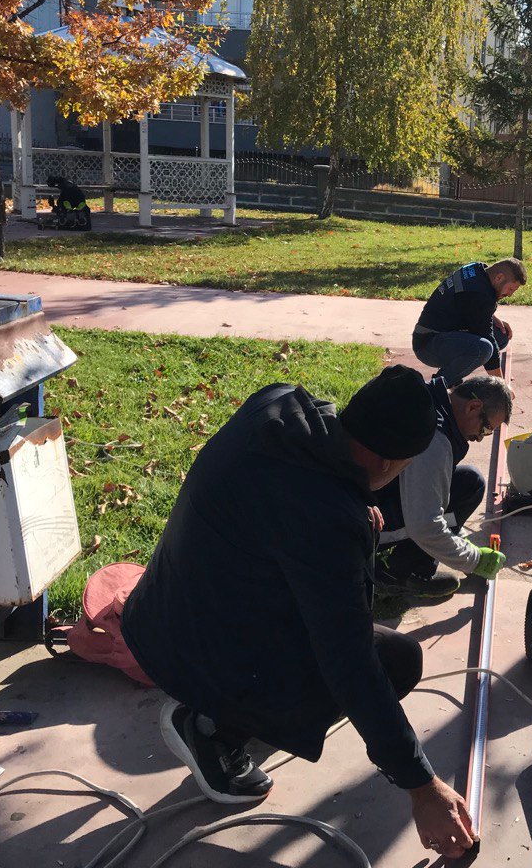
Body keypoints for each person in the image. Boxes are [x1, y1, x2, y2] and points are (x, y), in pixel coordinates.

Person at [121, 366, 477, 859]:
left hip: (160, 608)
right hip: (188, 649)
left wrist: (354, 502)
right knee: (394, 661)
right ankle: (210, 728)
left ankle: (226, 709)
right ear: (387, 459)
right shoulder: (328, 521)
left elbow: (286, 507)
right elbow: (351, 665)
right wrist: (422, 786)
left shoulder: (280, 403)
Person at [375, 375, 511, 598]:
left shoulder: (430, 398)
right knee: (433, 520)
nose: (479, 438)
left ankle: (413, 561)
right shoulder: (434, 439)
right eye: (486, 429)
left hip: (358, 495)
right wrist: (474, 559)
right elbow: (425, 526)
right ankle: (397, 574)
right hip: (358, 523)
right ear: (473, 406)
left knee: (470, 482)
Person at [412, 258, 526, 385]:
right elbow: (487, 338)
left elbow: (466, 302)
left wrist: (491, 317)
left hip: (438, 334)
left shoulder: (477, 269)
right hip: (428, 345)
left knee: (501, 335)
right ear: (499, 278)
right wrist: (501, 385)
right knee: (483, 349)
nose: (510, 295)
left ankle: (453, 371)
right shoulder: (479, 294)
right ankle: (436, 387)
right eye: (510, 289)